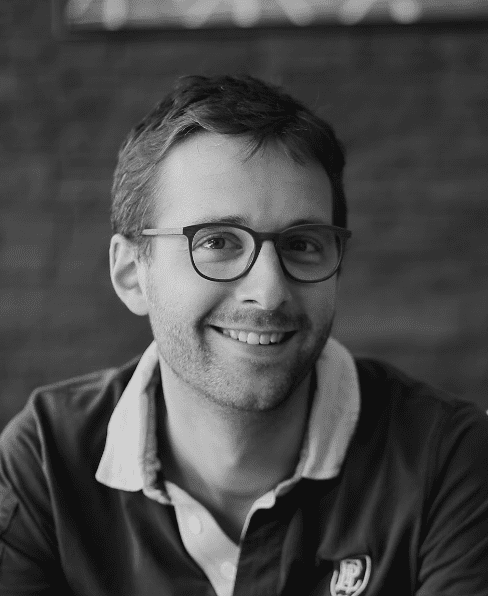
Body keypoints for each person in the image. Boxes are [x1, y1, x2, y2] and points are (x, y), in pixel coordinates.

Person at [0, 74, 487, 596]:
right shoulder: (47, 462)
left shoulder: (448, 459)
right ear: (131, 274)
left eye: (302, 243)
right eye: (217, 241)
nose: (269, 291)